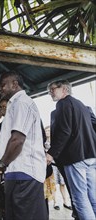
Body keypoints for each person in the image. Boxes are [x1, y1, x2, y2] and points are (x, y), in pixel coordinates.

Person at [0, 71, 47, 220]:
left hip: (25, 173)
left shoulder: (22, 103)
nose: (0, 89)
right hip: (16, 171)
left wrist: (2, 162)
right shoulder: (14, 104)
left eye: (3, 85)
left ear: (14, 84)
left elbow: (17, 140)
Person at [46, 79, 96, 220]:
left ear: (65, 89)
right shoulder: (81, 105)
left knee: (80, 199)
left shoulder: (63, 103)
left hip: (75, 157)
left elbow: (65, 131)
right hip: (90, 157)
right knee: (93, 196)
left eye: (53, 88)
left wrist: (51, 154)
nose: (50, 92)